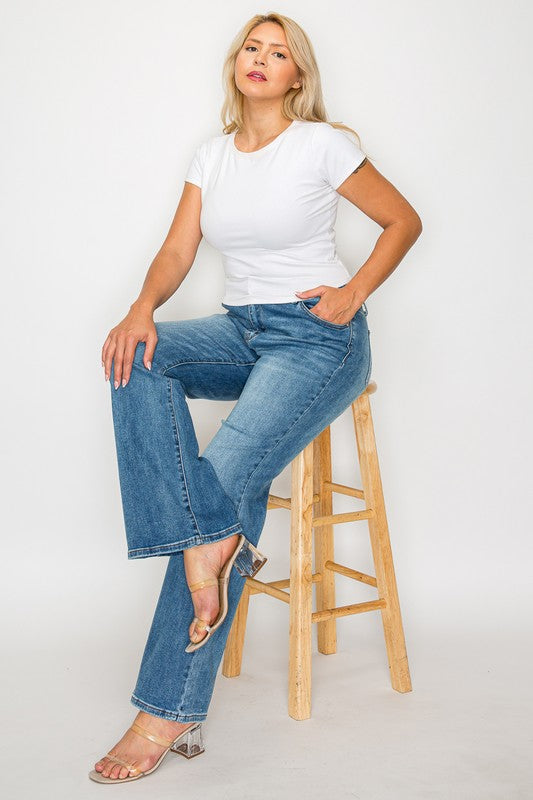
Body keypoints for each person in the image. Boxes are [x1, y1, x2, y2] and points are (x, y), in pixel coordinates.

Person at [90, 11, 422, 785]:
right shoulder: (211, 157)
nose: (262, 60)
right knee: (133, 356)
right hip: (242, 331)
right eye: (252, 47)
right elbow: (179, 250)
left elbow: (401, 220)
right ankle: (208, 538)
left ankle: (165, 709)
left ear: (296, 75)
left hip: (316, 338)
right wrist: (142, 309)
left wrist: (353, 292)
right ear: (236, 64)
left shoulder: (322, 143)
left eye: (278, 53)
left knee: (222, 478)